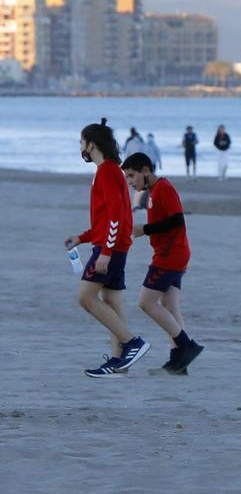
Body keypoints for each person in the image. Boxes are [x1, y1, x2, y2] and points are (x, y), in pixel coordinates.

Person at [64, 118, 150, 377]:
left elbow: (115, 215)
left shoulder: (108, 172)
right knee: (111, 300)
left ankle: (132, 343)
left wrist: (106, 251)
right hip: (111, 245)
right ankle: (118, 362)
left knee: (85, 297)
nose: (80, 146)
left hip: (110, 249)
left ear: (92, 144)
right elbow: (107, 218)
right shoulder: (109, 171)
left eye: (82, 141)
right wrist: (82, 238)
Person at [122, 152, 205, 374]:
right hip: (174, 253)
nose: (130, 182)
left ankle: (186, 346)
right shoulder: (153, 191)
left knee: (145, 303)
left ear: (146, 171)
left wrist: (145, 229)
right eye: (127, 178)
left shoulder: (163, 189)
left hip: (170, 255)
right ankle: (180, 362)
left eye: (132, 176)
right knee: (170, 307)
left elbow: (177, 219)